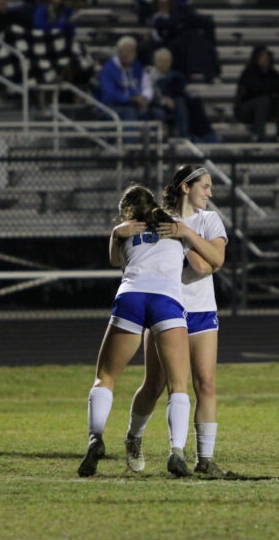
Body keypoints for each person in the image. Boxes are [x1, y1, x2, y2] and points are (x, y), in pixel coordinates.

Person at [77, 183, 224, 477]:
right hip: (167, 302)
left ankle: (95, 440)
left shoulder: (124, 230)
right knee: (178, 386)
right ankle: (176, 451)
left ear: (127, 210)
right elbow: (205, 265)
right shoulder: (175, 227)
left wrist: (116, 235)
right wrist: (186, 237)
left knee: (105, 378)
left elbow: (116, 261)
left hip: (130, 297)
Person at [125, 166, 229, 476]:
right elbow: (197, 262)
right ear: (186, 187)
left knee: (206, 384)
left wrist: (185, 234)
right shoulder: (159, 219)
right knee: (155, 385)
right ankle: (134, 438)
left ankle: (205, 459)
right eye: (205, 187)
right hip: (166, 308)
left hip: (201, 311)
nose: (209, 193)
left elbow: (216, 261)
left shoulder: (208, 220)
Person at [148, 48, 219, 142]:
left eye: (167, 61)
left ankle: (206, 135)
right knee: (180, 102)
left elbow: (184, 90)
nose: (165, 63)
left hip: (176, 99)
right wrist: (164, 101)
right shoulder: (150, 75)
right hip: (157, 103)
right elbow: (150, 93)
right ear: (155, 62)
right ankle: (184, 135)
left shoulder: (176, 75)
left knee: (194, 101)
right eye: (161, 61)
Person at [150, 0, 220, 81]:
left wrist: (211, 43)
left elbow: (206, 22)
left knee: (199, 42)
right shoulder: (155, 18)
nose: (163, 6)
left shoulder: (181, 13)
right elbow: (158, 37)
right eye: (160, 3)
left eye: (165, 3)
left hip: (186, 42)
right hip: (170, 45)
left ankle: (211, 75)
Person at [233, 45, 279, 141]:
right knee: (263, 100)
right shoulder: (249, 73)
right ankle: (259, 134)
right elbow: (256, 89)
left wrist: (271, 92)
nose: (265, 59)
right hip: (245, 110)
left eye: (267, 57)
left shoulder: (273, 73)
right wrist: (271, 91)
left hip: (266, 109)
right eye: (262, 56)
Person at [97, 36, 152, 121]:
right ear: (119, 52)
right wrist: (130, 99)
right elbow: (109, 94)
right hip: (111, 107)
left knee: (156, 112)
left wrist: (144, 98)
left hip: (135, 104)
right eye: (126, 51)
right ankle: (131, 134)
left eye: (132, 51)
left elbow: (147, 87)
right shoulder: (108, 69)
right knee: (130, 112)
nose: (129, 54)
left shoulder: (138, 67)